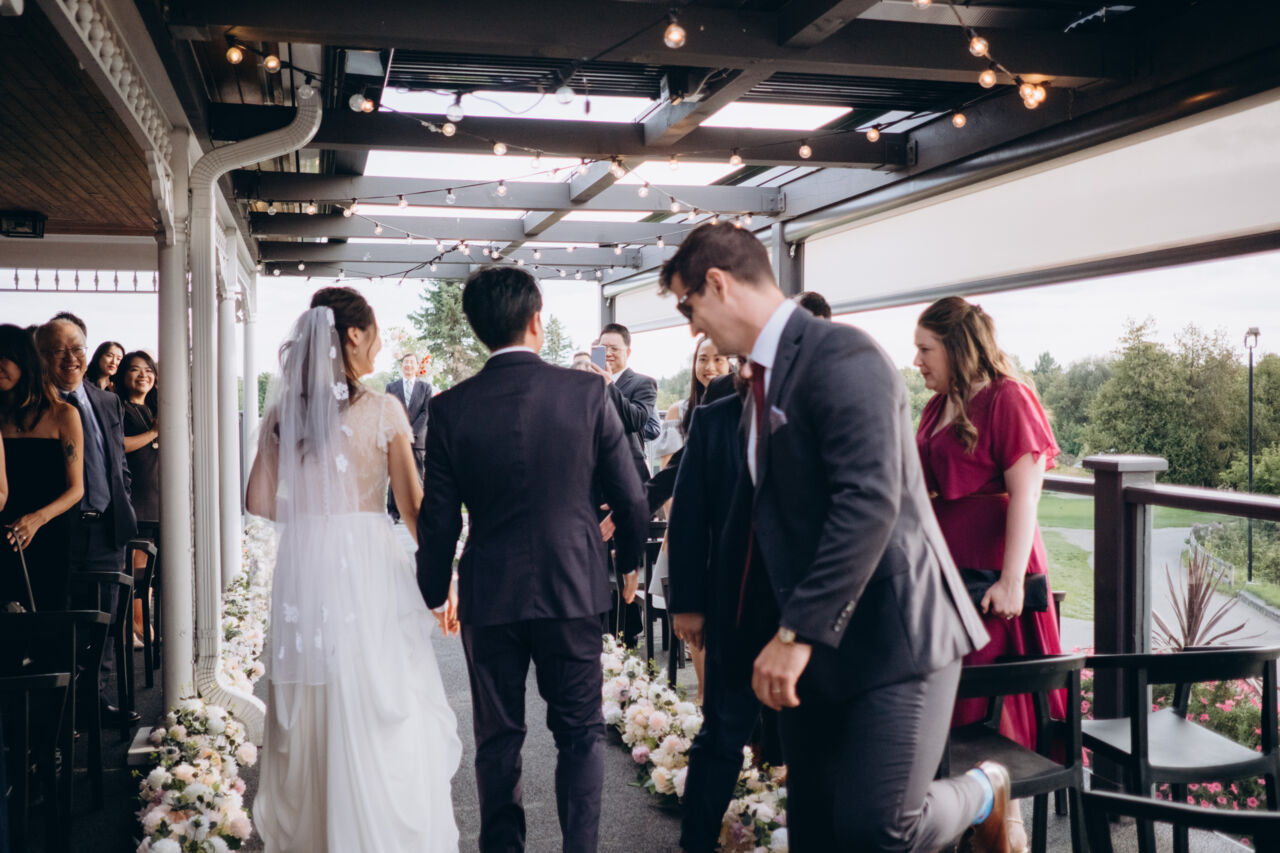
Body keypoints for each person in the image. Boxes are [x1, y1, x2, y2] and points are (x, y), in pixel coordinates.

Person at [660, 223, 1010, 853]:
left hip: (898, 638)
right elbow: (757, 528)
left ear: (718, 283)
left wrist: (795, 634)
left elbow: (868, 501)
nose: (692, 329)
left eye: (689, 306)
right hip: (818, 649)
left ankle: (984, 791)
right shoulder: (755, 386)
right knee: (816, 834)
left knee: (879, 831)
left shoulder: (845, 355)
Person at [417, 267, 647, 853]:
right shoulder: (587, 393)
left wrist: (434, 589)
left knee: (498, 738)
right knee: (581, 732)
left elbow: (439, 518)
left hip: (490, 591)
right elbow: (631, 497)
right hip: (574, 586)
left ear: (477, 328)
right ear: (537, 321)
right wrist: (627, 565)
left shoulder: (450, 408)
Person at [247, 286, 461, 853]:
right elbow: (413, 508)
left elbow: (257, 500)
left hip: (307, 569)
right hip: (369, 566)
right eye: (377, 333)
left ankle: (320, 833)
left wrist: (313, 518)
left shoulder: (285, 413)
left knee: (317, 693)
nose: (381, 345)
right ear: (355, 335)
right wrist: (444, 578)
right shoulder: (385, 410)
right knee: (374, 692)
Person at [914, 296, 1067, 853]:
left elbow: (1027, 495)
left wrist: (1010, 581)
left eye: (925, 349)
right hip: (946, 572)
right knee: (948, 689)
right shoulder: (938, 405)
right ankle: (959, 811)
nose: (917, 361)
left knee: (990, 692)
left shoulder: (1008, 397)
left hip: (992, 569)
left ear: (956, 347)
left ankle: (1009, 822)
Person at [37, 315, 139, 725]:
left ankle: (92, 701)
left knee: (105, 621)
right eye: (58, 350)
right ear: (41, 357)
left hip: (106, 528)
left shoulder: (107, 401)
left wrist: (122, 500)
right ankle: (60, 710)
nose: (70, 358)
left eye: (76, 348)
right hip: (60, 530)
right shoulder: (35, 406)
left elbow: (117, 461)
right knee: (62, 620)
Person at [0, 324, 84, 611]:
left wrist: (37, 519)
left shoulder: (63, 414)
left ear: (25, 360)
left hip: (50, 530)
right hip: (4, 529)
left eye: (5, 357)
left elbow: (76, 488)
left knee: (47, 617)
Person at [118, 351, 160, 644]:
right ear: (123, 375)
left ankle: (141, 621)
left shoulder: (154, 408)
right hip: (136, 498)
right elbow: (117, 445)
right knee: (135, 565)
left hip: (157, 498)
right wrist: (154, 432)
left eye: (148, 370)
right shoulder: (119, 408)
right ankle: (135, 624)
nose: (143, 375)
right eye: (135, 369)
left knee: (151, 570)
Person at [595, 322, 659, 482]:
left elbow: (636, 420)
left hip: (625, 473)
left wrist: (609, 384)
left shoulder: (643, 383)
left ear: (628, 352)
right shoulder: (590, 383)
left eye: (614, 349)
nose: (608, 353)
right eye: (603, 348)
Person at [385, 351, 431, 521]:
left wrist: (411, 432)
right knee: (396, 475)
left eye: (412, 362)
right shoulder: (391, 387)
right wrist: (401, 432)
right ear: (402, 365)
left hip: (418, 440)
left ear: (417, 367)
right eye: (406, 362)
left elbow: (426, 412)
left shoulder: (425, 388)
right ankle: (393, 512)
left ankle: (418, 512)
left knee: (417, 475)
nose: (409, 365)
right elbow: (388, 410)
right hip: (397, 437)